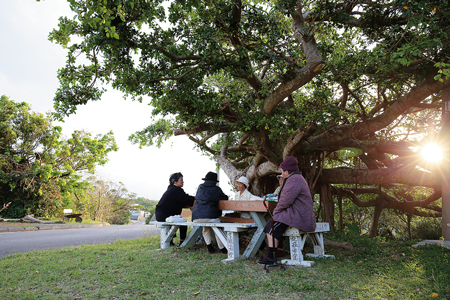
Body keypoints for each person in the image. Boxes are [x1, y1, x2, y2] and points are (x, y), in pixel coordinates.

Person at [258, 156, 316, 264]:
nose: (282, 173)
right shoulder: (297, 178)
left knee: (271, 226)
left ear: (287, 171)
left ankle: (271, 256)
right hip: (299, 214)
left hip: (299, 215)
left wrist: (276, 212)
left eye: (282, 171)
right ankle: (276, 251)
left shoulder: (293, 180)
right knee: (274, 224)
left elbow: (285, 200)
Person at [192, 171, 229, 254]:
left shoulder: (200, 187)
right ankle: (222, 248)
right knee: (218, 229)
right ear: (215, 181)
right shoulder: (216, 189)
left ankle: (209, 247)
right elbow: (225, 198)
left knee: (205, 228)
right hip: (211, 216)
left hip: (196, 217)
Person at [155, 172, 195, 246]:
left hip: (160, 215)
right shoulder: (177, 190)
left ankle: (170, 241)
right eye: (181, 180)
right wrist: (195, 198)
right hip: (165, 215)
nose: (183, 182)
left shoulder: (171, 189)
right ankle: (182, 242)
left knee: (178, 220)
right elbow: (187, 199)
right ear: (175, 182)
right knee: (183, 223)